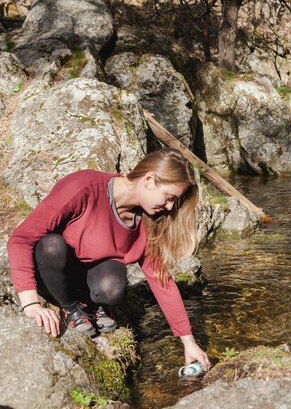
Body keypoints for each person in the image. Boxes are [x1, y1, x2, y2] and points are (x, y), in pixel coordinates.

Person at [7, 147, 210, 370]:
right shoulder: (83, 186)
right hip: (52, 271)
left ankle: (93, 305)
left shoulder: (149, 219)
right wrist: (32, 305)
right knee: (52, 246)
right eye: (169, 198)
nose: (170, 207)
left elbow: (161, 280)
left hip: (90, 278)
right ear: (149, 179)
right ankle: (70, 307)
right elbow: (20, 240)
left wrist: (188, 341)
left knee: (113, 286)